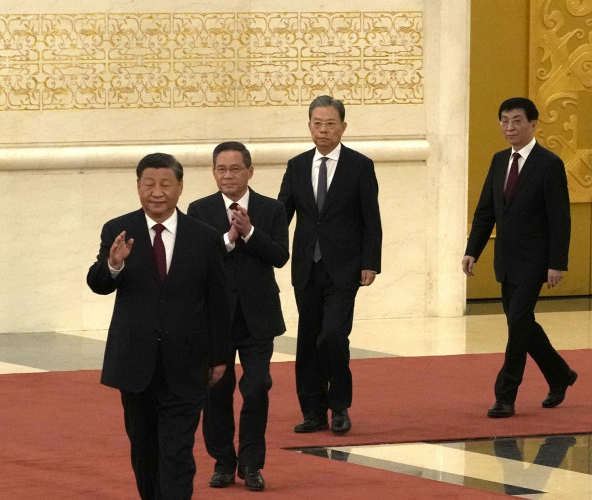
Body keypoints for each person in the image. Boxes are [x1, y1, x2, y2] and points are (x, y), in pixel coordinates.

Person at [86, 153, 231, 499]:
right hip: (136, 362)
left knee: (178, 451)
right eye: (149, 184)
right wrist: (113, 264)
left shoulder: (205, 236)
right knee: (145, 450)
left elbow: (219, 301)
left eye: (166, 184)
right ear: (138, 186)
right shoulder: (119, 230)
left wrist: (221, 356)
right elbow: (98, 282)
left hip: (187, 361)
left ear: (180, 187)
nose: (157, 192)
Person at [462, 97, 577, 419]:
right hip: (507, 259)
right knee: (522, 322)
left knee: (517, 326)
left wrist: (557, 263)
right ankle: (559, 373)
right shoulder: (499, 161)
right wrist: (473, 250)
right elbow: (486, 212)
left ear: (533, 124)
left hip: (536, 260)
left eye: (516, 121)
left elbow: (560, 218)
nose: (509, 128)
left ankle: (505, 395)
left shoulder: (548, 163)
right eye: (504, 121)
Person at [278, 96, 383, 435]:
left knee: (333, 336)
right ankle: (312, 410)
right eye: (317, 124)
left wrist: (371, 262)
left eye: (330, 124)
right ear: (309, 126)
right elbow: (282, 215)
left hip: (344, 267)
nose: (323, 130)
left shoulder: (359, 166)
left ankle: (339, 405)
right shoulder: (296, 166)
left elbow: (372, 220)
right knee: (308, 340)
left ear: (343, 127)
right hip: (306, 267)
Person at [188, 141, 289, 491]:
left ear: (250, 171)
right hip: (214, 318)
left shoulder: (272, 209)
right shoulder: (198, 210)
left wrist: (249, 233)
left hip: (258, 316)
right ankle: (223, 461)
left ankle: (251, 463)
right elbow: (196, 260)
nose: (227, 175)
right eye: (221, 169)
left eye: (234, 169)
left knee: (258, 386)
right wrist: (229, 238)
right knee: (217, 389)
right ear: (214, 172)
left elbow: (279, 256)